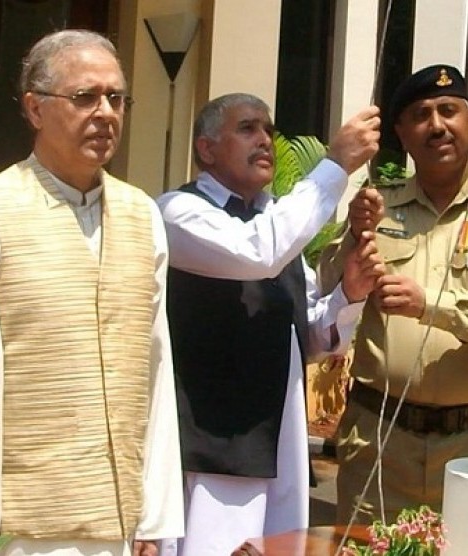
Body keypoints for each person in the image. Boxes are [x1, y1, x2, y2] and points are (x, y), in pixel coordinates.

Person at [0, 29, 183, 556]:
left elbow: (155, 369)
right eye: (85, 97)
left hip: (120, 526)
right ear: (35, 109)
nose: (106, 113)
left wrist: (155, 517)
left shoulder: (143, 216)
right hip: (22, 531)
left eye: (116, 98)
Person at [157, 93, 382, 555]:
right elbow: (255, 253)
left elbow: (312, 338)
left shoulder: (275, 220)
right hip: (215, 447)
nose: (265, 140)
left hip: (281, 443)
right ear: (206, 148)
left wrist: (349, 294)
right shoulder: (179, 212)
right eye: (247, 129)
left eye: (269, 130)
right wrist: (335, 164)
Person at [319, 64, 468, 525]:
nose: (437, 125)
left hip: (463, 451)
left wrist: (431, 307)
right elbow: (324, 286)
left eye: (450, 110)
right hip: (380, 443)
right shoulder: (379, 204)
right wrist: (355, 234)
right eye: (421, 114)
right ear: (402, 134)